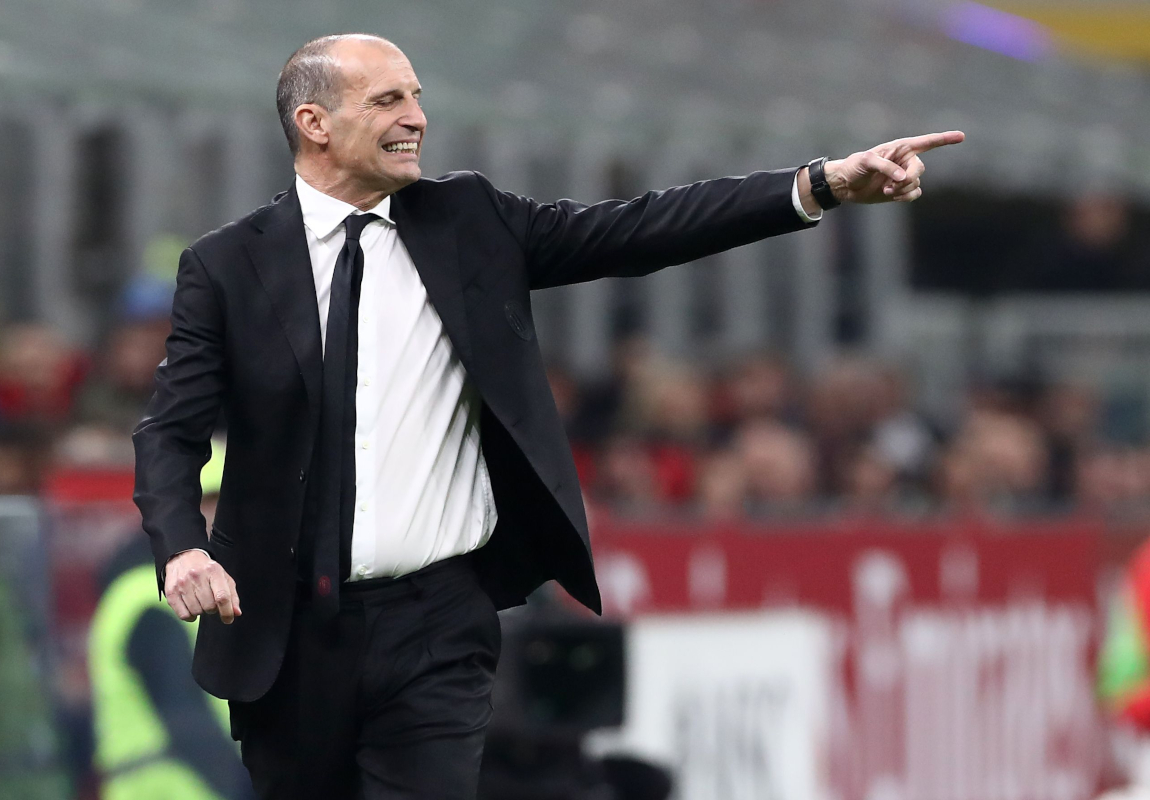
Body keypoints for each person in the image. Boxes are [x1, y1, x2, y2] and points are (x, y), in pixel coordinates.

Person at [132, 32, 963, 799]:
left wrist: (817, 185)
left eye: (416, 97)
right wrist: (180, 548)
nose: (416, 118)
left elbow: (637, 230)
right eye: (387, 101)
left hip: (439, 626)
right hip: (287, 631)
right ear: (313, 123)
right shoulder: (228, 264)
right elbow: (170, 429)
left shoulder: (469, 219)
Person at [90, 440, 254, 800]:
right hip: (170, 788)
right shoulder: (147, 600)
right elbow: (186, 721)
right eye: (213, 505)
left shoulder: (209, 588)